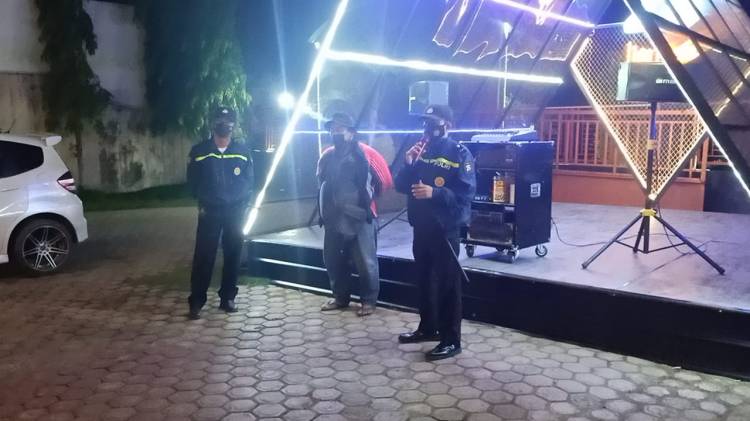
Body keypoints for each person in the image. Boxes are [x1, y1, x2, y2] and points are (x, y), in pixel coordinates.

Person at [394, 104, 476, 360]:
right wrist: (408, 164)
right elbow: (400, 185)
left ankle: (451, 340)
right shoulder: (421, 150)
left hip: (444, 230)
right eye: (425, 122)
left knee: (448, 286)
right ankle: (428, 328)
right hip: (421, 226)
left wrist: (435, 193)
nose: (427, 127)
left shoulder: (459, 153)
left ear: (447, 125)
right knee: (424, 280)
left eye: (433, 122)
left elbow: (465, 194)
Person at [317, 112, 393, 317]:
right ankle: (340, 297)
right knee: (333, 260)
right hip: (333, 217)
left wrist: (366, 200)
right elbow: (320, 181)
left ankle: (369, 301)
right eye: (332, 129)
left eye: (340, 129)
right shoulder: (327, 155)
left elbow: (385, 181)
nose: (335, 133)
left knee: (366, 262)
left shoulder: (368, 154)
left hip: (360, 217)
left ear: (351, 132)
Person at [186, 106, 254, 320]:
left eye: (228, 121)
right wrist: (204, 200)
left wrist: (241, 202)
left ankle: (228, 298)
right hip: (210, 211)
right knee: (204, 256)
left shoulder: (242, 151)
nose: (224, 125)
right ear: (212, 124)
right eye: (220, 121)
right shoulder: (199, 151)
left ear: (234, 125)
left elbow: (249, 181)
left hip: (235, 212)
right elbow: (192, 182)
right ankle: (197, 301)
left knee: (233, 255)